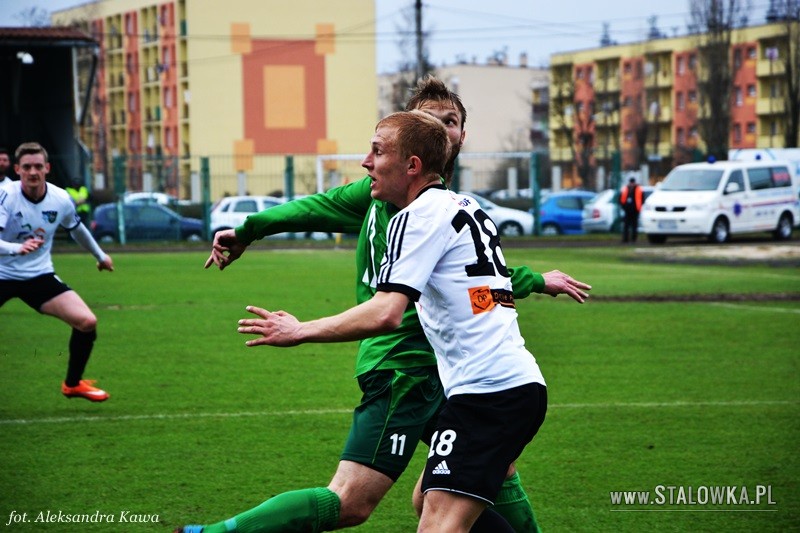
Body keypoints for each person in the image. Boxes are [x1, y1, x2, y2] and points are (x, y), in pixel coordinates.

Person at [185, 77, 590, 533]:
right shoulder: (467, 210)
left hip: (447, 378)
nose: (365, 163)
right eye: (427, 119)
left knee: (404, 509)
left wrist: (299, 331)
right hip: (488, 382)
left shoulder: (417, 217)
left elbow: (387, 312)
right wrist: (251, 228)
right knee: (440, 496)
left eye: (378, 151)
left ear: (416, 158)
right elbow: (485, 290)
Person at [0, 142, 114, 402]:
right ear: (17, 169)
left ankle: (73, 385)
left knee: (87, 322)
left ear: (47, 168)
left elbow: (76, 228)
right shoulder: (5, 196)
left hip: (38, 276)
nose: (33, 172)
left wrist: (100, 255)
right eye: (27, 167)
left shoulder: (60, 198)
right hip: (2, 273)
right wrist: (17, 249)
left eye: (38, 166)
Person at [619, 176, 643, 243]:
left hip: (635, 210)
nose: (632, 184)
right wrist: (624, 207)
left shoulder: (638, 189)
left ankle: (634, 239)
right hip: (627, 211)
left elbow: (641, 199)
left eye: (633, 183)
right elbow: (621, 199)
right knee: (626, 225)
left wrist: (638, 209)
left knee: (634, 225)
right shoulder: (625, 189)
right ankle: (625, 238)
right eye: (631, 183)